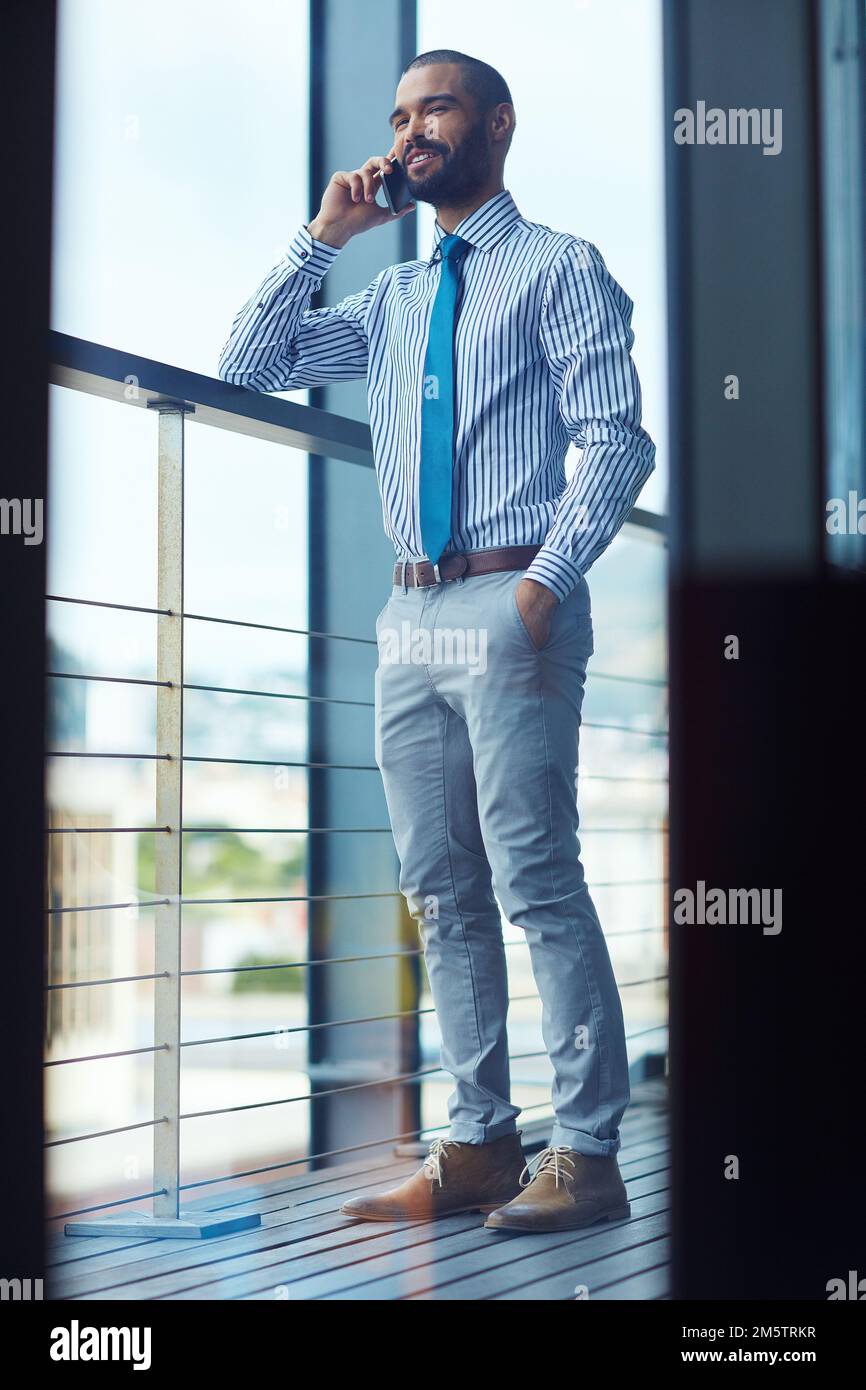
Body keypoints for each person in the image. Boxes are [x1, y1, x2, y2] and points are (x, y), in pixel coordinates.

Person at [218, 49, 655, 1233]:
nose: (410, 132)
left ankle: (587, 1153)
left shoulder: (559, 267)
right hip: (408, 618)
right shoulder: (396, 299)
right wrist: (325, 236)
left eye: (436, 109)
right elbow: (246, 366)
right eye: (399, 114)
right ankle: (474, 1143)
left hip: (510, 601)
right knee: (439, 890)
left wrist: (545, 587)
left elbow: (616, 442)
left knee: (534, 878)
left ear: (495, 125)